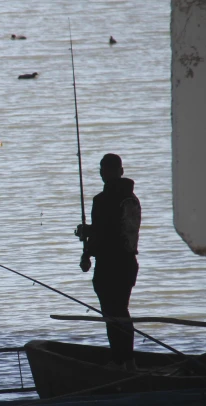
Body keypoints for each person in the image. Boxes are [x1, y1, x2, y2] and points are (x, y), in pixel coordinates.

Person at [76, 154, 141, 369]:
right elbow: (115, 230)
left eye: (104, 170)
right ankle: (128, 360)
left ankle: (118, 360)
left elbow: (104, 234)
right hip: (128, 263)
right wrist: (91, 232)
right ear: (121, 171)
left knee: (112, 314)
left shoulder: (102, 200)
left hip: (109, 265)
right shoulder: (132, 199)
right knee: (121, 312)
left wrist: (86, 251)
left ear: (103, 173)